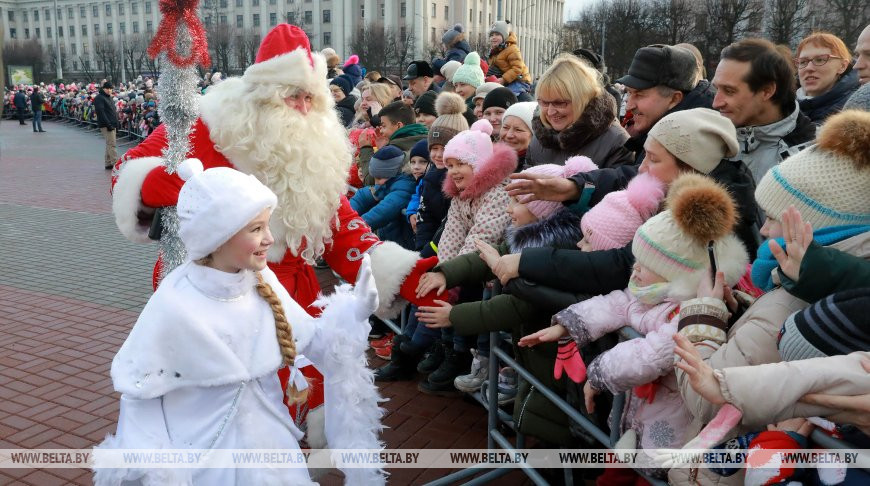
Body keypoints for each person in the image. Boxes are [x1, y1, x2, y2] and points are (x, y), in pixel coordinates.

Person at [110, 24, 445, 447]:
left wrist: (406, 275)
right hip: (211, 294)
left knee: (287, 413)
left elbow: (340, 226)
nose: (303, 109)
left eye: (310, 98)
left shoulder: (313, 149)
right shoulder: (207, 126)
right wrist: (171, 185)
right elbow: (128, 172)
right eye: (292, 96)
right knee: (214, 416)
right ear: (262, 96)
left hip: (290, 299)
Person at [94, 160, 384, 485]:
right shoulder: (174, 303)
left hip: (274, 452)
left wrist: (353, 314)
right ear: (218, 236)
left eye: (267, 225)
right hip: (204, 461)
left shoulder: (263, 281)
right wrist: (156, 469)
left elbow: (316, 342)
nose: (270, 239)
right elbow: (141, 396)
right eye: (255, 229)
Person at [670, 110, 870, 485]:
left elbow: (707, 397)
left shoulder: (795, 302)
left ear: (814, 227)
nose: (762, 228)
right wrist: (738, 311)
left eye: (775, 217)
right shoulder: (814, 280)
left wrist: (704, 313)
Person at [520, 174, 748, 479]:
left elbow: (651, 355)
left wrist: (599, 373)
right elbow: (618, 303)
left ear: (674, 270)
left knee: (647, 475)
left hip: (670, 422)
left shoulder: (688, 310)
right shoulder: (652, 292)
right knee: (617, 473)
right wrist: (569, 324)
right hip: (638, 411)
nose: (634, 268)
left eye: (645, 263)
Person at [417, 119, 517, 395]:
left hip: (492, 267)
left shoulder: (496, 192)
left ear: (480, 164)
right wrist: (444, 272)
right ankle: (449, 347)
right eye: (449, 165)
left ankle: (468, 356)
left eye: (460, 163)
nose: (453, 171)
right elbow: (451, 233)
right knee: (445, 290)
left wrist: (453, 275)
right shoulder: (462, 195)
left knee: (470, 297)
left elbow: (482, 236)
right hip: (474, 264)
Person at [374, 94, 468, 381]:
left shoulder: (458, 179)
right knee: (419, 301)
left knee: (431, 308)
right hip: (428, 249)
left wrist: (433, 250)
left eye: (446, 148)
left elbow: (452, 223)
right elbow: (426, 215)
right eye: (435, 148)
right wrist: (423, 248)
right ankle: (413, 353)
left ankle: (415, 353)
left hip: (448, 254)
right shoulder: (431, 175)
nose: (439, 155)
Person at [712, 38, 816, 182]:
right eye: (716, 89)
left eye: (729, 91)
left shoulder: (810, 159)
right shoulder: (710, 136)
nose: (716, 103)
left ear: (766, 91)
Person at [527, 54, 634, 168]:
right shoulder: (539, 139)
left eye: (559, 103)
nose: (550, 112)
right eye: (544, 103)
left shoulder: (616, 143)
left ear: (583, 99)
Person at [616, 44, 714, 166]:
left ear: (674, 99)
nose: (629, 106)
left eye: (639, 94)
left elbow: (642, 176)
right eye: (629, 93)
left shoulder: (684, 143)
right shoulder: (659, 129)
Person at [350, 145, 416, 250]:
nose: (376, 183)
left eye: (379, 178)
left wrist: (353, 228)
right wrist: (345, 216)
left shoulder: (405, 185)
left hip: (403, 248)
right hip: (391, 243)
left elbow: (382, 212)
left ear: (392, 173)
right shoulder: (388, 182)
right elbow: (362, 196)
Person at [795, 32, 859, 124]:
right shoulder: (780, 102)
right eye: (803, 62)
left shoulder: (854, 109)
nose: (809, 68)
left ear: (842, 66)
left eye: (820, 60)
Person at [487, 20, 533, 97]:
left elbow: (518, 68)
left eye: (497, 34)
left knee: (508, 96)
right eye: (492, 35)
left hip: (519, 81)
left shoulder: (512, 49)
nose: (493, 37)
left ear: (504, 36)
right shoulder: (495, 52)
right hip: (508, 80)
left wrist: (503, 79)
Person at [499, 101, 537, 169]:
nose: (509, 135)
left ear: (534, 136)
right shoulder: (489, 158)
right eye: (505, 127)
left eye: (518, 130)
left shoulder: (537, 168)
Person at [95, 81, 119, 170]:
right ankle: (115, 163)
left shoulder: (108, 97)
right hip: (106, 124)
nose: (109, 90)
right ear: (103, 88)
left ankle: (108, 163)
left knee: (109, 144)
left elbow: (112, 111)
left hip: (111, 123)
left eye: (110, 89)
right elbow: (101, 112)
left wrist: (116, 123)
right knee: (112, 144)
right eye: (107, 88)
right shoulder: (99, 98)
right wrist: (108, 124)